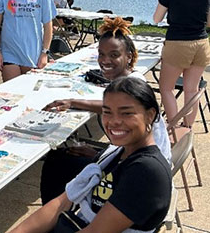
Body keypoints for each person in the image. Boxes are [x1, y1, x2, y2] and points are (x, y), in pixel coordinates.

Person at [11, 77, 172, 233]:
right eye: (107, 113)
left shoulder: (146, 172)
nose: (114, 121)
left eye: (126, 113)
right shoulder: (118, 153)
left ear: (150, 115)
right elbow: (62, 202)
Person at [40, 17, 171, 205]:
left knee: (56, 162)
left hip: (136, 167)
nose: (105, 60)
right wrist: (72, 102)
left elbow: (129, 142)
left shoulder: (132, 85)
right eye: (101, 54)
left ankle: (57, 215)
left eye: (114, 55)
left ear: (129, 56)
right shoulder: (129, 81)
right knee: (67, 154)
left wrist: (98, 157)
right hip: (129, 155)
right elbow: (107, 108)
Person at [153, 0, 210, 127]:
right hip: (201, 43)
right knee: (191, 90)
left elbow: (156, 18)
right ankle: (187, 128)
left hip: (177, 43)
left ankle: (174, 126)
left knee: (166, 88)